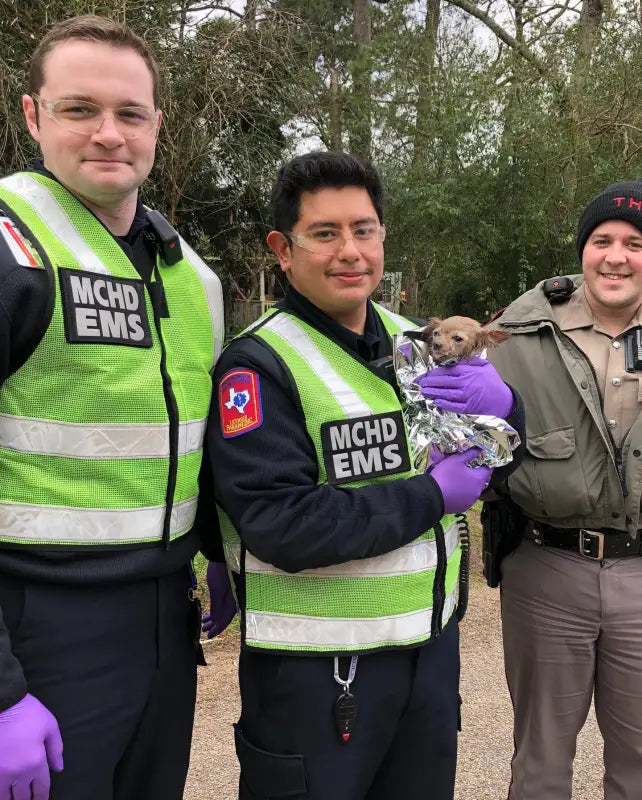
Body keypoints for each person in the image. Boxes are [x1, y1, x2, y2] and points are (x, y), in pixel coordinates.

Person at [205, 150, 526, 800]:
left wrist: (507, 412)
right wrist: (432, 495)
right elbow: (280, 525)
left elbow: (495, 456)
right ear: (283, 249)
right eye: (325, 233)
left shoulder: (420, 341)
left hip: (430, 658)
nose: (350, 251)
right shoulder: (259, 366)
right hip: (318, 679)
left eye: (364, 230)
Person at [0, 15, 232, 800]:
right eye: (78, 109)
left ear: (157, 125)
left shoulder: (191, 277)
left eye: (130, 114)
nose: (109, 134)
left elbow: (190, 436)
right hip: (38, 623)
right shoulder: (9, 250)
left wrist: (220, 550)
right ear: (32, 116)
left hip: (165, 611)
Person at [484, 178, 642, 800]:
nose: (616, 256)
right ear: (582, 250)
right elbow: (461, 433)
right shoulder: (517, 335)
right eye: (602, 240)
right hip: (548, 570)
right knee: (542, 762)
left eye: (635, 243)